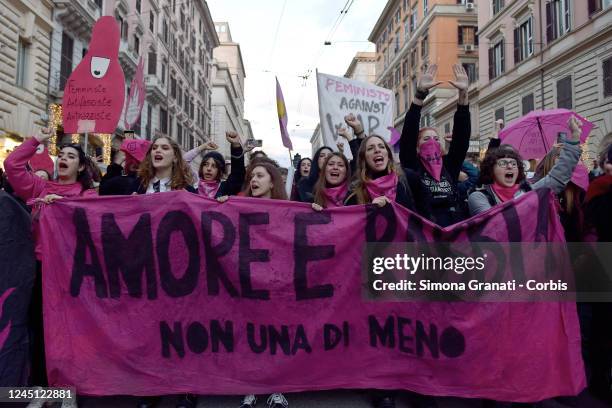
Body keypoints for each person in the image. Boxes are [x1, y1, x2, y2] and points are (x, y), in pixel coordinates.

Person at [4, 128, 97, 408]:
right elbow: (12, 166)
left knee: (71, 331)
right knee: (38, 329)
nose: (64, 159)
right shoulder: (40, 188)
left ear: (80, 166)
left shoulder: (88, 196)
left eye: (71, 156)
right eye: (61, 155)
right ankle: (43, 390)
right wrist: (36, 141)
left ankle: (68, 389)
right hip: (38, 269)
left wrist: (66, 206)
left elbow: (91, 228)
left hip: (70, 274)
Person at [225, 161, 288, 408]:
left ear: (272, 182)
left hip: (277, 281)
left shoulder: (288, 210)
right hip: (246, 280)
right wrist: (219, 206)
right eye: (252, 176)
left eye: (260, 176)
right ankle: (250, 388)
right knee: (249, 334)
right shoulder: (237, 207)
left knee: (277, 334)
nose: (254, 180)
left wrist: (315, 212)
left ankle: (277, 387)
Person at [399, 64, 471, 226]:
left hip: (455, 229)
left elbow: (461, 140)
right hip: (426, 232)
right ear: (416, 147)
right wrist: (419, 96)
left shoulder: (449, 166)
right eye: (426, 139)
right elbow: (409, 134)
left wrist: (463, 95)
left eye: (436, 139)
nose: (432, 142)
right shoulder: (412, 166)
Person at [468, 117, 584, 216]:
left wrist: (574, 137)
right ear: (491, 170)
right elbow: (495, 224)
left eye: (514, 164)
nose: (510, 166)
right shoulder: (479, 197)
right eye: (503, 163)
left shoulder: (528, 190)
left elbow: (557, 177)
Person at [345, 134, 418, 214]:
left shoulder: (408, 177)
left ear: (388, 155)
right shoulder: (355, 193)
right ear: (364, 159)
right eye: (370, 148)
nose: (377, 150)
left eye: (381, 147)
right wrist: (371, 210)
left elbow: (427, 216)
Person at [533, 146, 586, 242]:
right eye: (559, 156)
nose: (566, 161)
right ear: (550, 160)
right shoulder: (537, 187)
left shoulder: (578, 191)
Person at [195, 131, 246, 199]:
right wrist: (201, 147)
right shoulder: (193, 191)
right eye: (206, 164)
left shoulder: (225, 189)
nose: (209, 169)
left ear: (220, 170)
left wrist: (236, 146)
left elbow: (237, 174)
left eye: (214, 166)